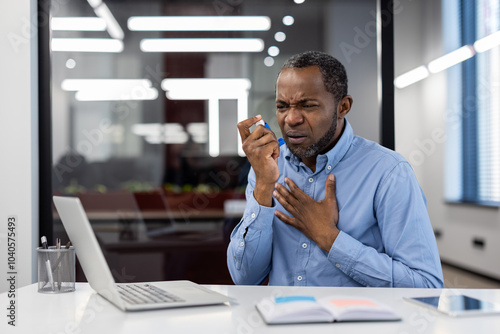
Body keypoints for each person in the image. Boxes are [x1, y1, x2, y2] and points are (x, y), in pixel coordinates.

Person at [227, 51, 444, 288]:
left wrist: (330, 238)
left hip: (351, 324)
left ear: (343, 106)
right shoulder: (268, 168)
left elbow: (426, 287)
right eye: (282, 106)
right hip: (279, 321)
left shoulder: (389, 172)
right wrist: (263, 185)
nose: (291, 119)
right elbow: (244, 279)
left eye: (307, 105)